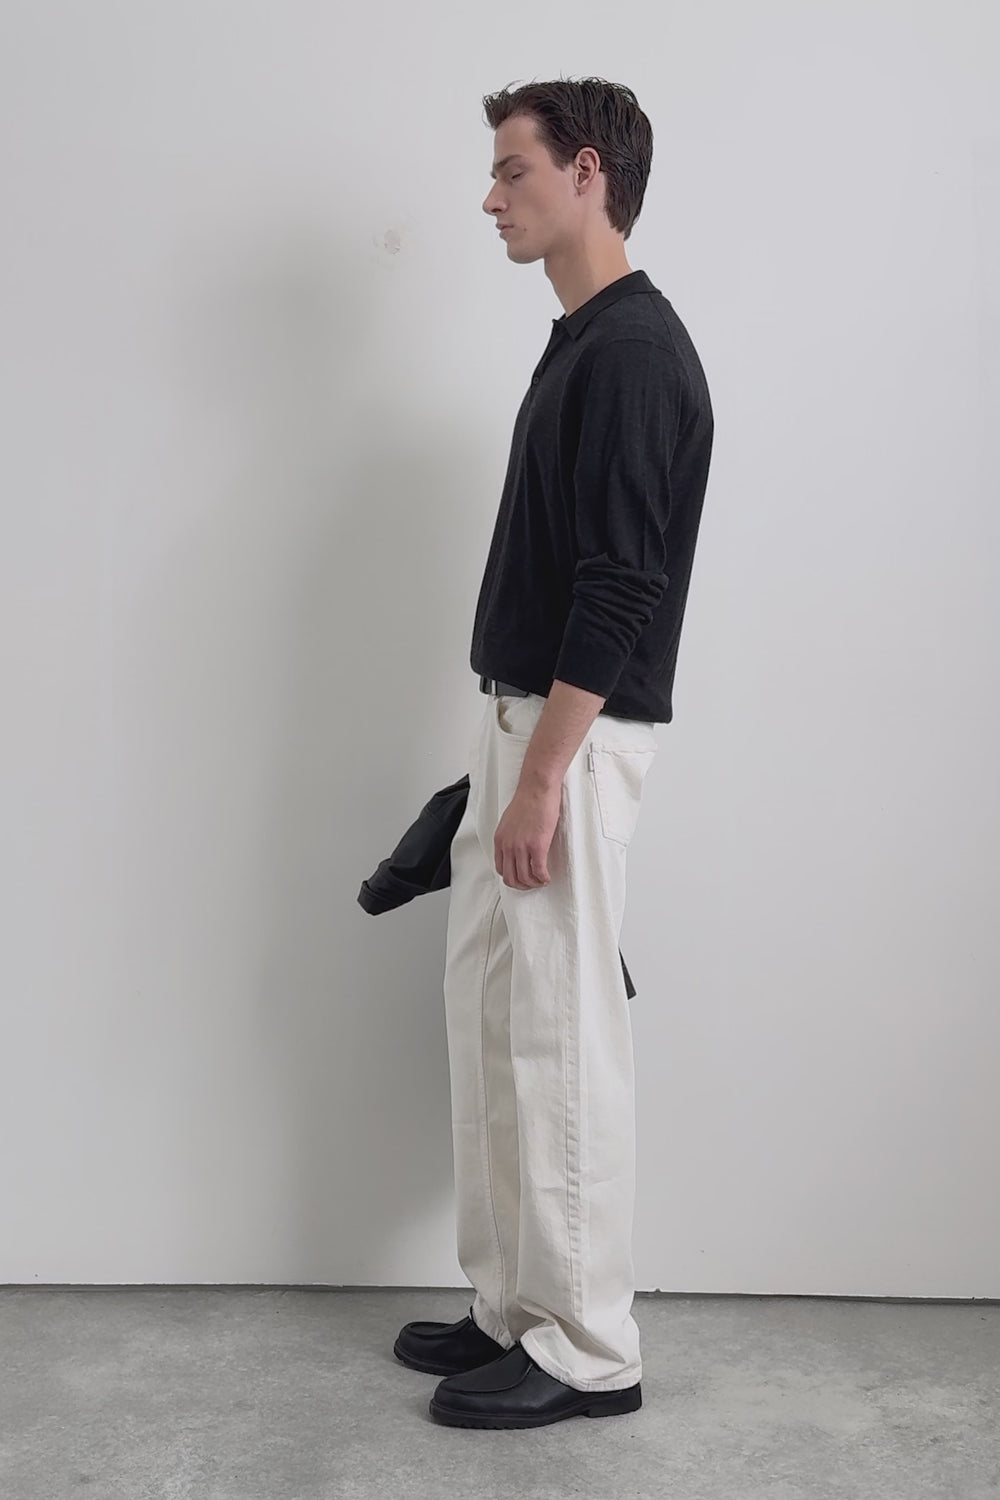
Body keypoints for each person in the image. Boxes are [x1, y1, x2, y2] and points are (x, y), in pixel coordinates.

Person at [393, 75, 715, 1429]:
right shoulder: (584, 339)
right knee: (494, 1027)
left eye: (511, 171)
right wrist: (499, 758)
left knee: (563, 1043)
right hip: (526, 724)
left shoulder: (634, 352)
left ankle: (586, 1348)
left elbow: (623, 582)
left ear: (588, 173)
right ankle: (510, 1304)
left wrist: (540, 779)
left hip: (568, 740)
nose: (490, 198)